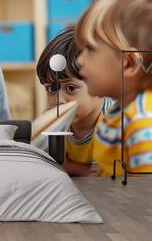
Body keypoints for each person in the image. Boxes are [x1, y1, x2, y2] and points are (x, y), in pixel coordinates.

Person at [76, 0, 152, 177]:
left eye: (90, 50)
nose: (79, 60)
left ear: (129, 63)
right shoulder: (118, 112)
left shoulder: (142, 125)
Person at [36, 27, 114, 176]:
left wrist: (67, 166)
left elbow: (106, 176)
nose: (59, 101)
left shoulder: (115, 122)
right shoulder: (52, 119)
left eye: (71, 88)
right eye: (51, 89)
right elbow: (47, 164)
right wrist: (82, 170)